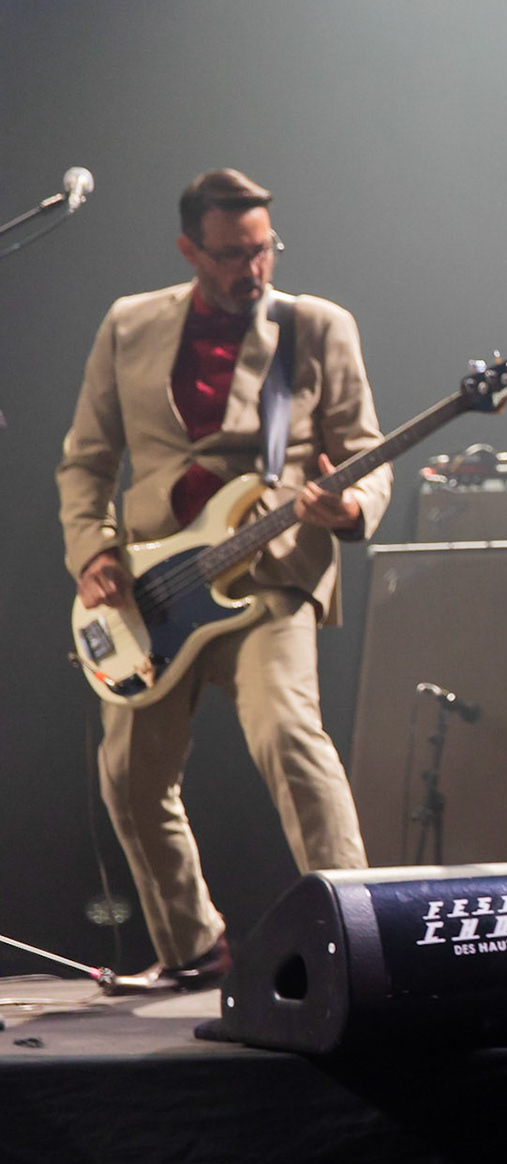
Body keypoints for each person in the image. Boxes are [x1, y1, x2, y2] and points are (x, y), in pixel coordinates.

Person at [56, 168, 392, 994]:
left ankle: (361, 938)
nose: (255, 267)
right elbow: (87, 459)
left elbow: (363, 447)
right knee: (129, 777)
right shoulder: (130, 324)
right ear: (190, 250)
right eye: (235, 254)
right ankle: (194, 948)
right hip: (151, 592)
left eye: (265, 248)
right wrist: (94, 551)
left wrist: (346, 506)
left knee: (287, 735)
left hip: (271, 579)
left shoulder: (316, 327)